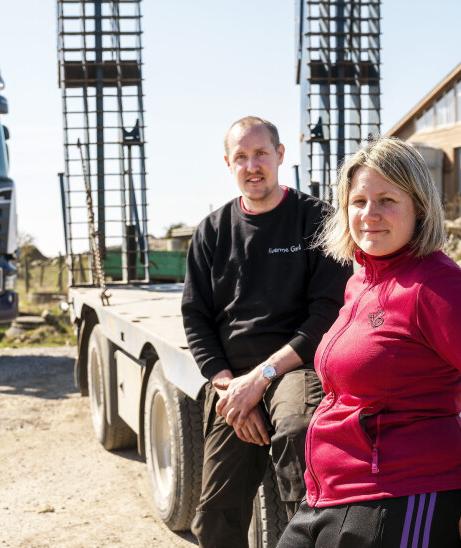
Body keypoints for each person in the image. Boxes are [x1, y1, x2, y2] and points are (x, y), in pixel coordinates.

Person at [278, 137, 461, 547]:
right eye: (358, 201)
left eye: (387, 200)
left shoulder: (438, 288)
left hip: (398, 501)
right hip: (327, 495)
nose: (370, 214)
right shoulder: (361, 282)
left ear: (419, 208)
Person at [181, 116, 353, 547]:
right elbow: (196, 317)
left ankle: (308, 534)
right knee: (214, 519)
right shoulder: (211, 231)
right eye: (241, 157)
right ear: (228, 163)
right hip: (233, 380)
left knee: (296, 432)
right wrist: (229, 389)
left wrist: (261, 379)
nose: (252, 165)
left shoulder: (317, 220)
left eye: (260, 153)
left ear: (280, 155)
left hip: (295, 367)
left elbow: (327, 315)